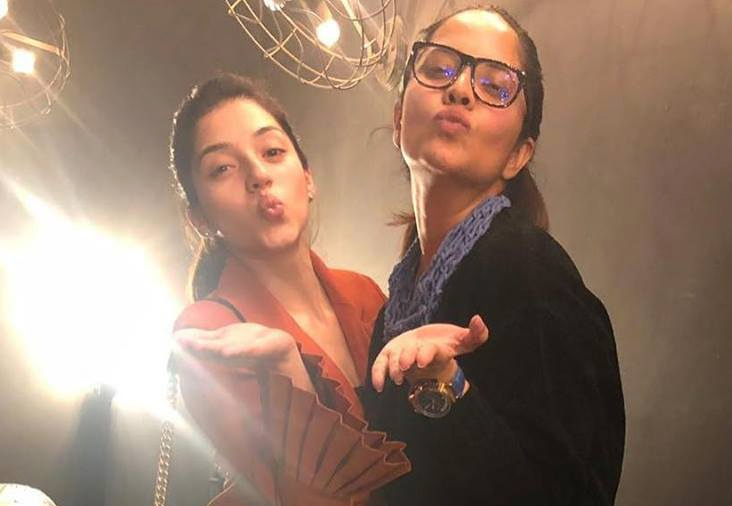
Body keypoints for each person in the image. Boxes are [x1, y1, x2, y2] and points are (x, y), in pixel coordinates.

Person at [361, 5, 626, 506]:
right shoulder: (395, 309)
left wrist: (447, 386)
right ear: (398, 120)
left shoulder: (528, 271)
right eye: (439, 68)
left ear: (519, 154)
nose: (459, 89)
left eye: (495, 85)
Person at [167, 73, 414, 506]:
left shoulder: (364, 293)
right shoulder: (211, 330)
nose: (258, 175)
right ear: (200, 220)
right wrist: (290, 373)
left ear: (308, 177)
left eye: (272, 152)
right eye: (222, 168)